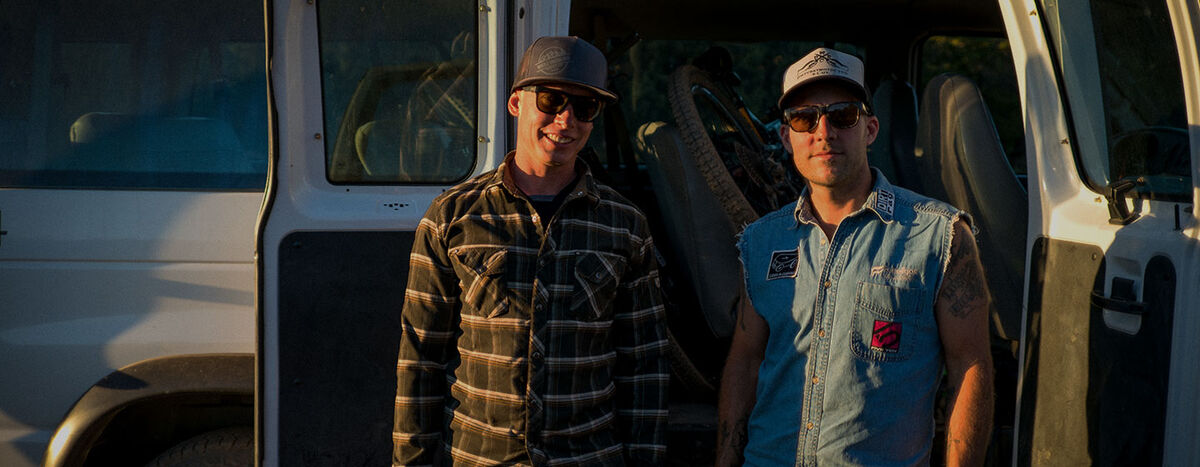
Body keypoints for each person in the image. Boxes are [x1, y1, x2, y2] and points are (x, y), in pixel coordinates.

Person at [393, 36, 669, 466]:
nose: (565, 120)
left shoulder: (626, 225)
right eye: (551, 99)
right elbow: (420, 358)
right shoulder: (450, 218)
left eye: (584, 108)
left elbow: (645, 367)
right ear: (516, 103)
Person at [715, 47, 994, 466]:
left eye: (843, 115)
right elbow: (745, 361)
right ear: (785, 135)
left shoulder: (941, 235)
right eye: (804, 118)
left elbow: (970, 366)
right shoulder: (759, 243)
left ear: (870, 128)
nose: (823, 131)